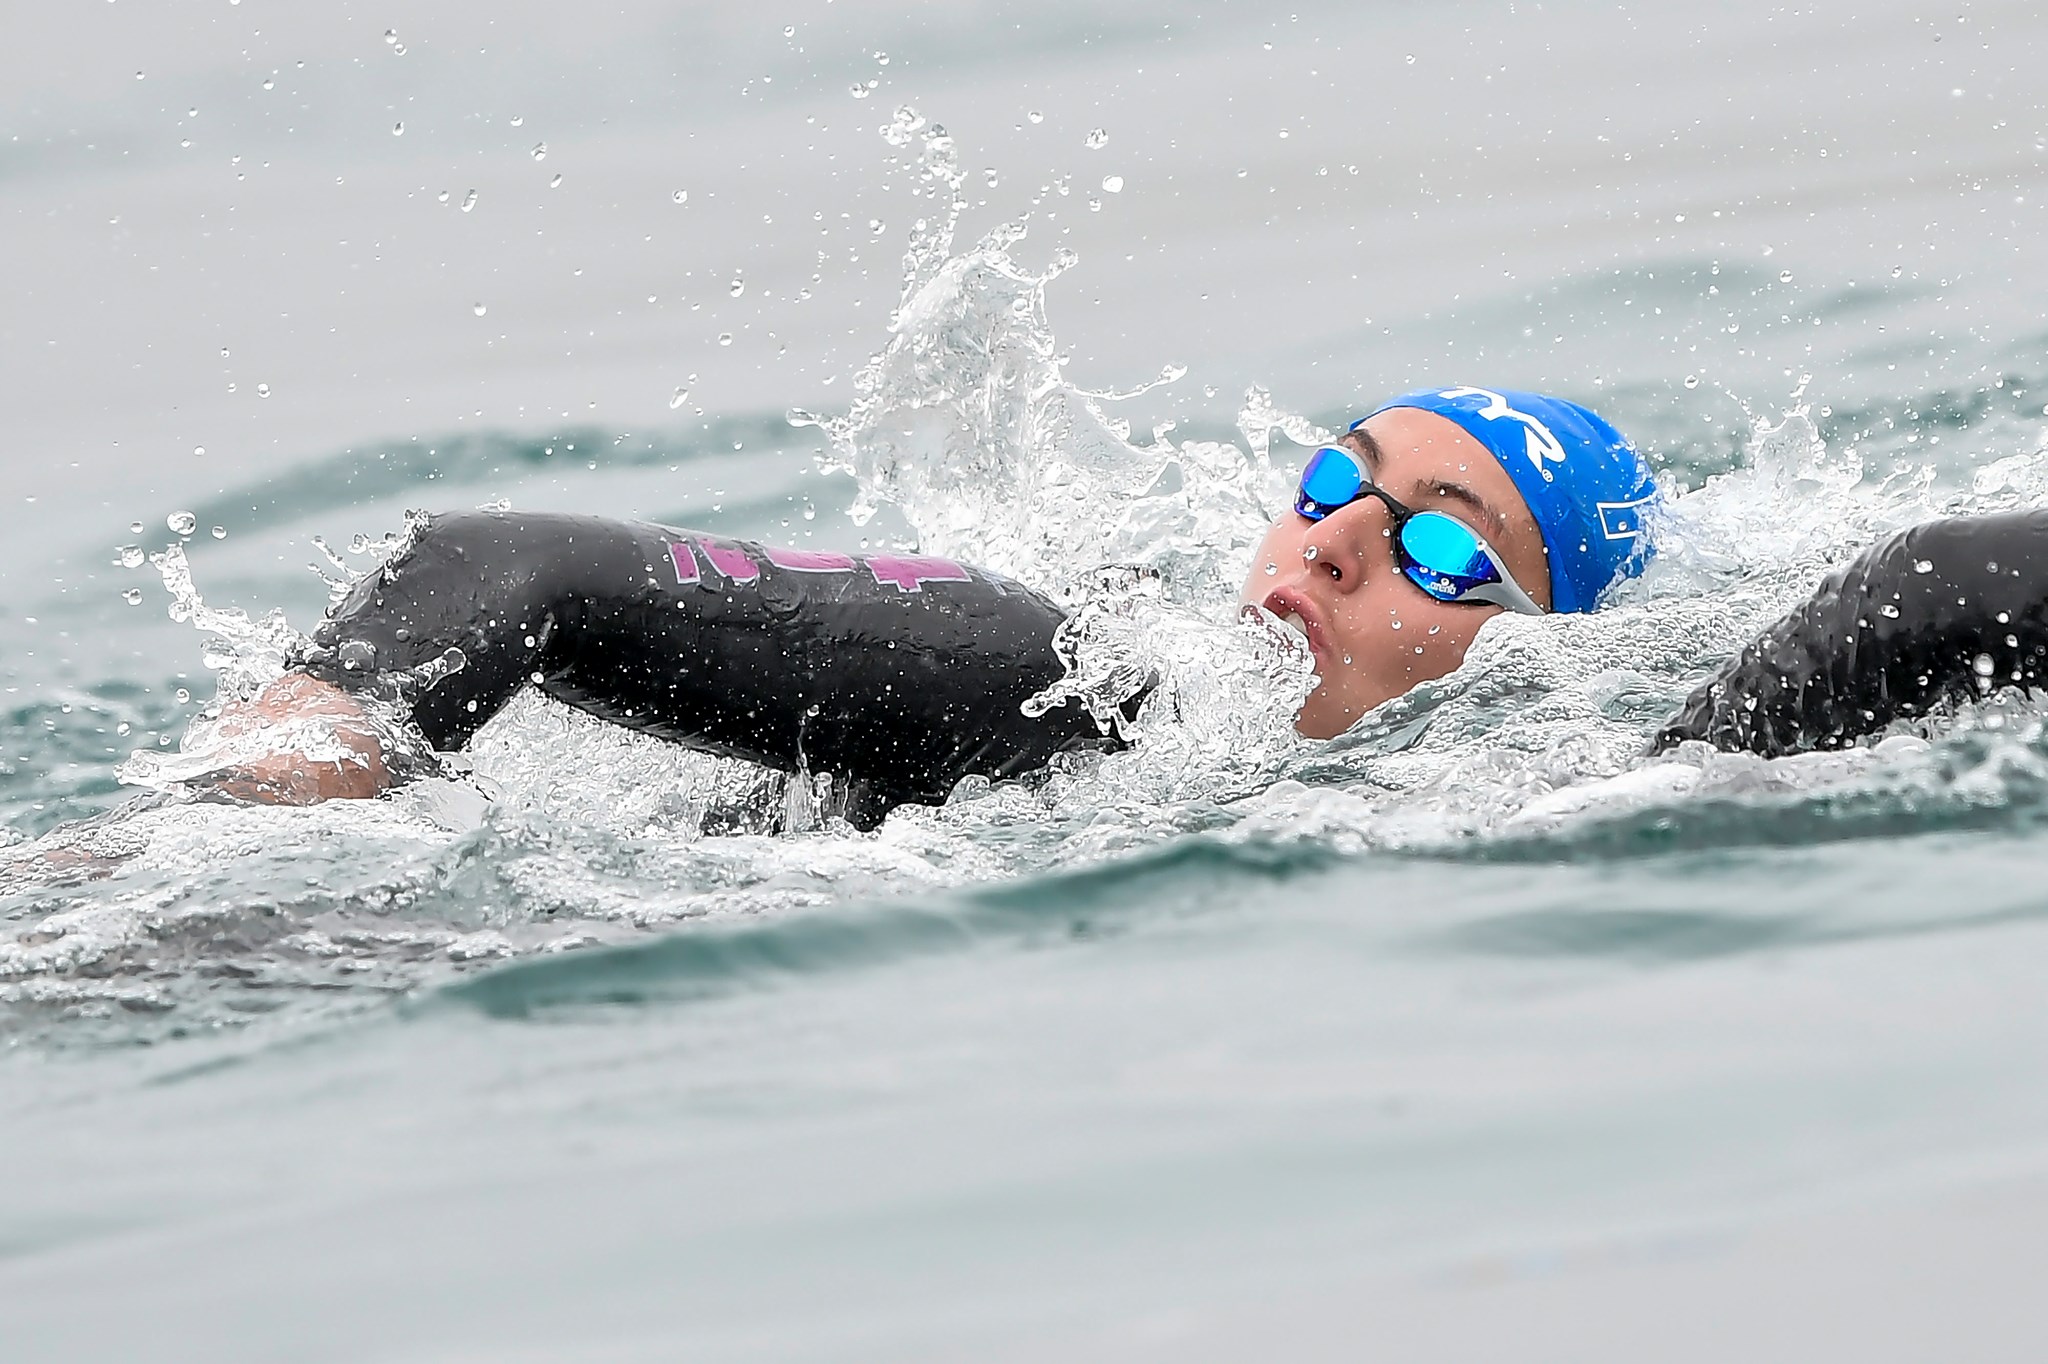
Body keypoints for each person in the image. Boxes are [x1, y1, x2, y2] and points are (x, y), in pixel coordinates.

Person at [191, 385, 2048, 827]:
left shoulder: (1600, 768)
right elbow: (502, 565)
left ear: (1547, 645)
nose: (1331, 548)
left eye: (1445, 548)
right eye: (1335, 486)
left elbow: (1938, 592)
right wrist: (238, 841)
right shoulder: (1090, 690)